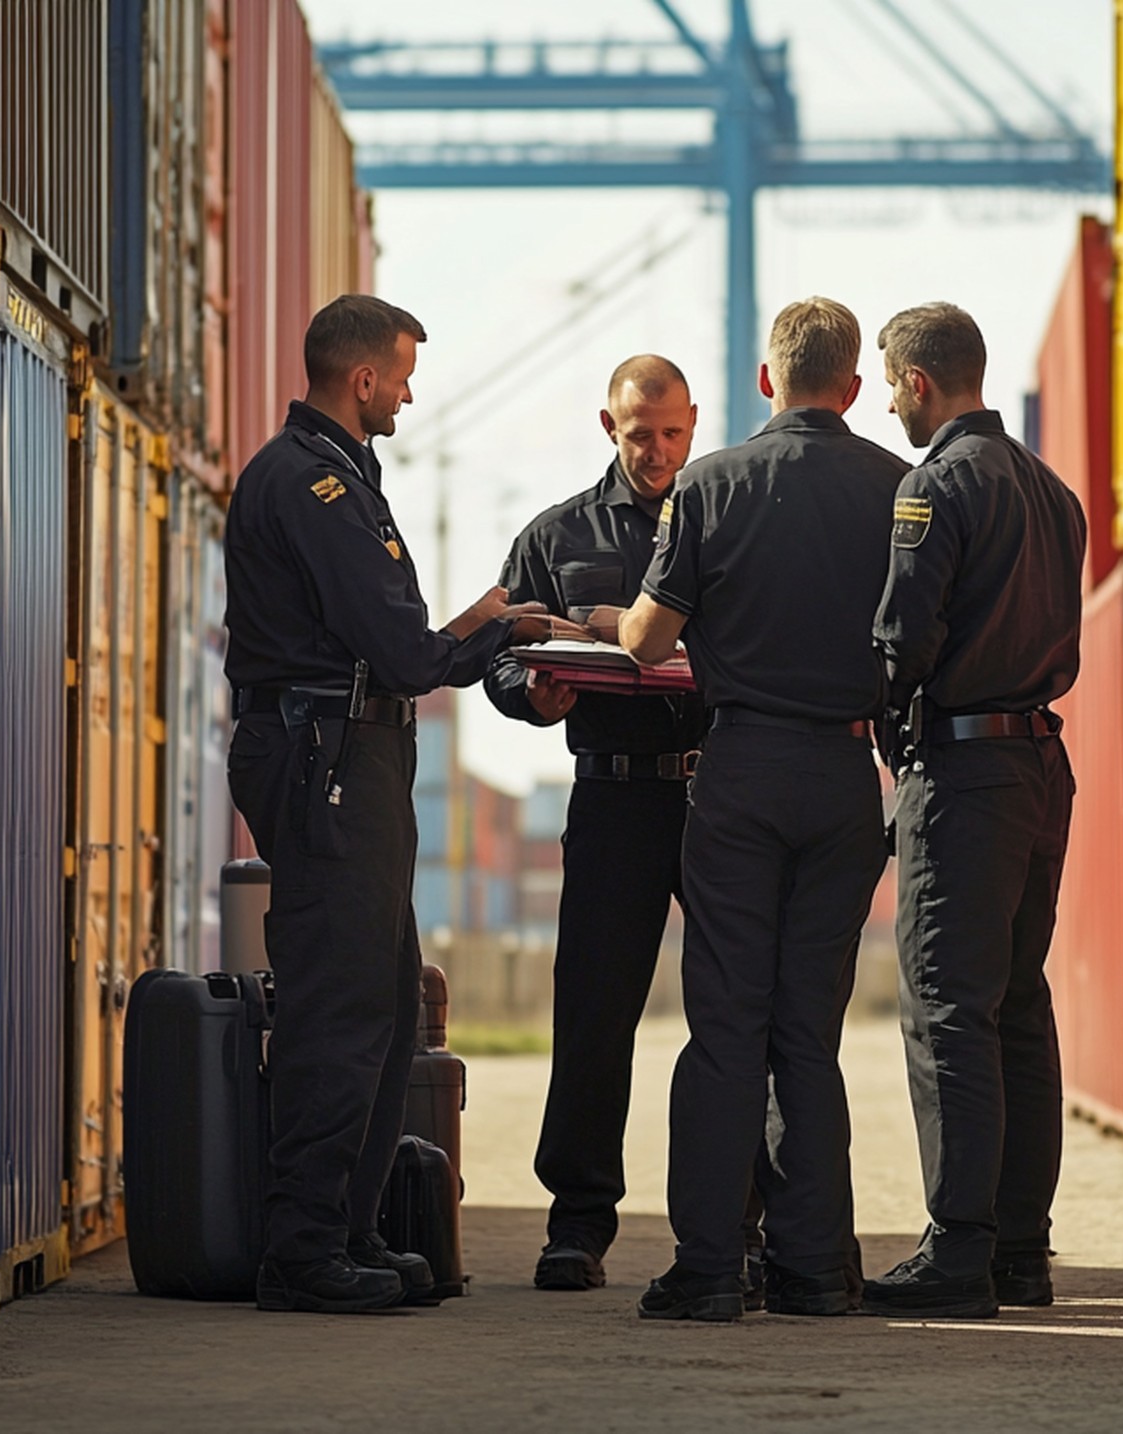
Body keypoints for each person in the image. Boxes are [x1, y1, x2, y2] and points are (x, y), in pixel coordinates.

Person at [223, 294, 579, 1314]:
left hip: (347, 753)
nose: (412, 393)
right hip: (326, 757)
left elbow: (401, 641)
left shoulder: (335, 478)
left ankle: (348, 1229)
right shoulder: (315, 484)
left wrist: (484, 623)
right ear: (363, 378)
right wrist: (502, 636)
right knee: (340, 1006)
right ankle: (302, 1253)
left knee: (380, 1002)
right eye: (403, 374)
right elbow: (404, 653)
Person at [610, 297, 908, 1322]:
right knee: (806, 1033)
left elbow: (648, 644)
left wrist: (624, 617)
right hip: (842, 777)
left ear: (766, 382)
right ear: (854, 388)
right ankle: (817, 1269)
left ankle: (705, 1268)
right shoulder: (900, 490)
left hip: (738, 772)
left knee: (725, 1026)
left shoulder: (709, 483)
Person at [860, 302, 1086, 1320]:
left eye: (893, 388)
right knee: (1015, 1003)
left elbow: (900, 642)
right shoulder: (1052, 490)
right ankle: (1019, 1253)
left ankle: (957, 1254)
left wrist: (886, 738)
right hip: (1041, 762)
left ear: (915, 383)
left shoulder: (934, 484)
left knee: (947, 1006)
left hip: (967, 773)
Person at [482, 355, 711, 1292]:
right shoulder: (554, 534)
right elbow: (499, 651)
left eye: (670, 433)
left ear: (692, 423)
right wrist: (531, 697)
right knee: (593, 1014)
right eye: (637, 434)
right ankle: (576, 1227)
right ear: (606, 426)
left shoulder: (725, 514)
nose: (656, 452)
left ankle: (744, 1224)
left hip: (715, 797)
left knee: (738, 1015)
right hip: (611, 795)